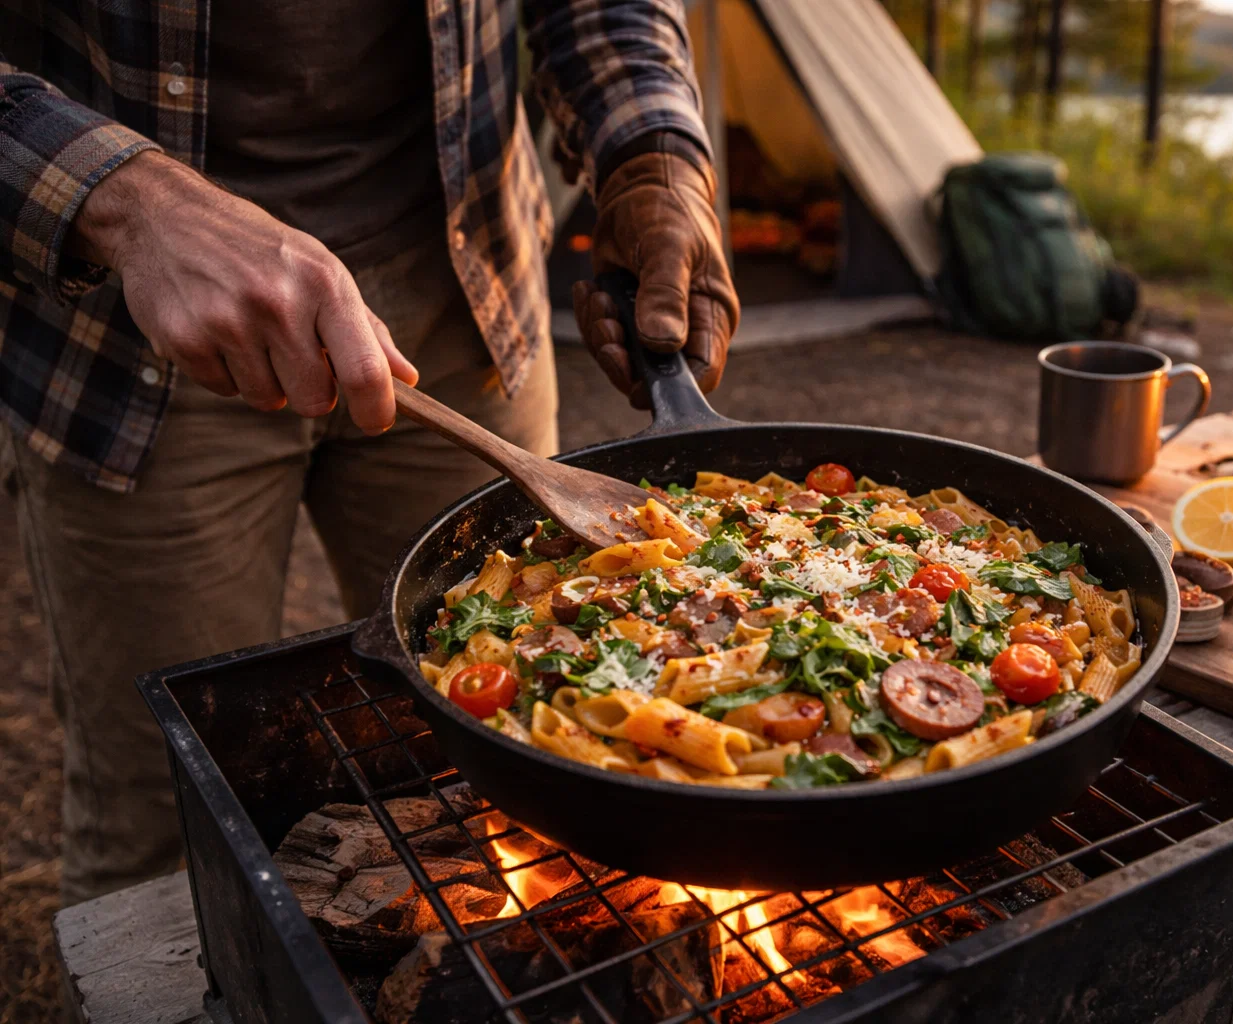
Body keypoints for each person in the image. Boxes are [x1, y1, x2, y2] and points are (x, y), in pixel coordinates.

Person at [0, 0, 738, 907]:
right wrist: (128, 200)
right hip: (126, 333)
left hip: (466, 299)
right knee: (166, 805)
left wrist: (653, 162)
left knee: (499, 764)